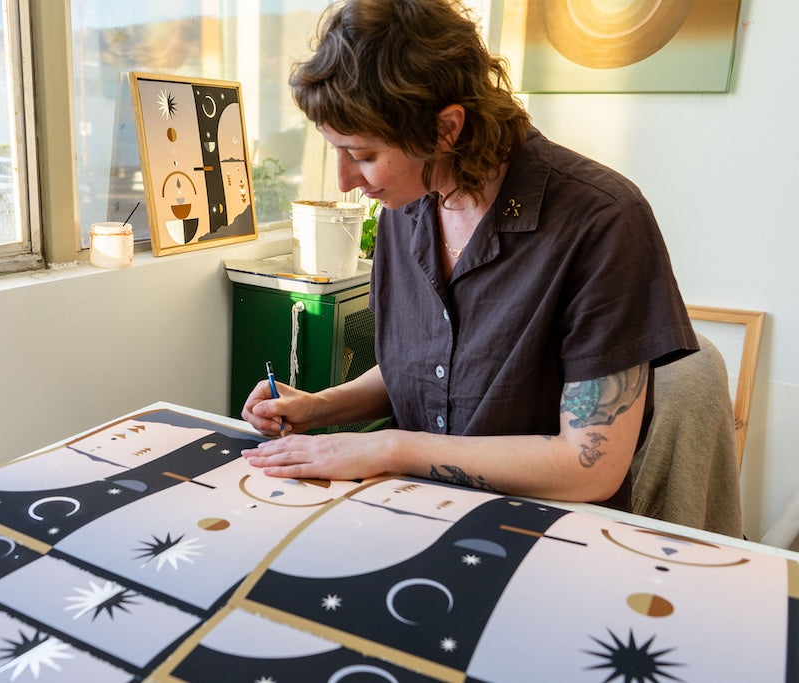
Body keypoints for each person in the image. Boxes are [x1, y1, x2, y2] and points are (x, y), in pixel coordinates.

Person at [240, 0, 697, 510]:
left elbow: (589, 467)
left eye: (364, 155)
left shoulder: (602, 220)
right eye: (337, 151)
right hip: (414, 507)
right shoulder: (406, 205)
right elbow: (421, 370)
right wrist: (320, 407)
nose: (346, 181)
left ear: (446, 129)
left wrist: (390, 446)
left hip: (541, 532)